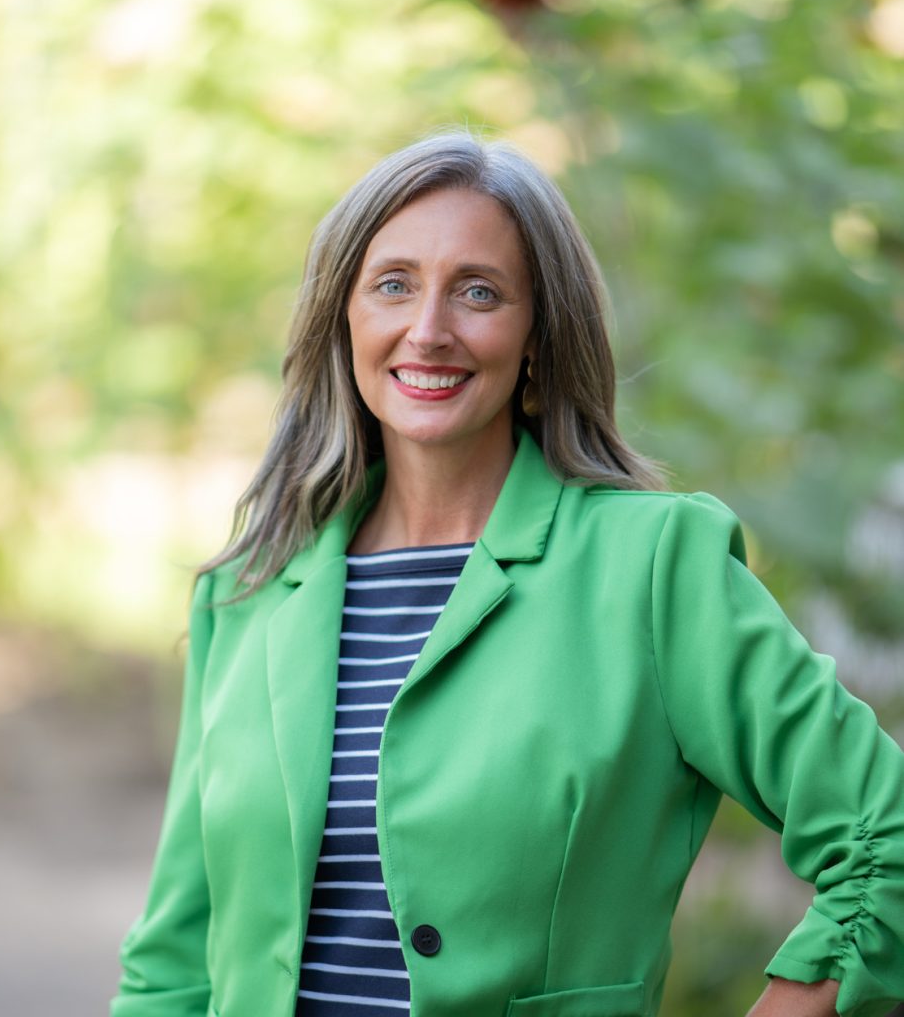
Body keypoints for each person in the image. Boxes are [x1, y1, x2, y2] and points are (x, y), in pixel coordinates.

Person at [111, 132, 904, 1017]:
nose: (429, 330)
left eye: (478, 292)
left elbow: (886, 834)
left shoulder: (650, 567)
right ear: (345, 316)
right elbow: (176, 957)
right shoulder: (249, 591)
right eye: (394, 284)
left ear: (537, 331)